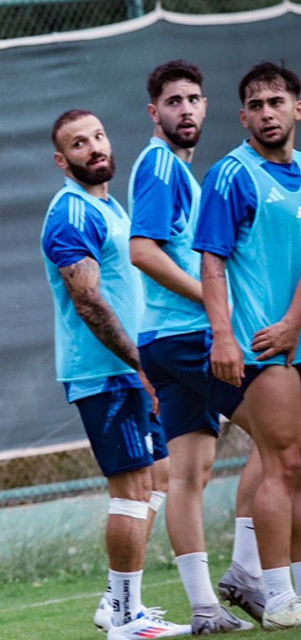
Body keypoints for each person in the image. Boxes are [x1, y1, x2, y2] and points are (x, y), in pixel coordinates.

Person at [40, 109, 189, 639]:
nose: (95, 147)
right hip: (107, 375)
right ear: (63, 161)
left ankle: (117, 601)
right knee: (130, 489)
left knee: (160, 478)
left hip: (133, 371)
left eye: (99, 136)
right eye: (79, 143)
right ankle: (126, 619)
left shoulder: (111, 206)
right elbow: (88, 301)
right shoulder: (71, 213)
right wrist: (141, 363)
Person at [126, 60, 257, 633]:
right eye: (173, 101)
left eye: (193, 99)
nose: (185, 109)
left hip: (163, 338)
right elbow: (143, 251)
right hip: (187, 337)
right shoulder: (160, 165)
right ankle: (250, 572)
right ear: (154, 112)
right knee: (283, 438)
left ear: (206, 107)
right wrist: (212, 300)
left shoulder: (179, 169)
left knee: (188, 474)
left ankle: (205, 607)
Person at [194, 61, 301, 630]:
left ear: (297, 108)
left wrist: (295, 323)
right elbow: (211, 264)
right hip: (262, 345)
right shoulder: (231, 175)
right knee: (282, 462)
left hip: (294, 337)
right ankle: (276, 594)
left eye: (276, 102)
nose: (267, 113)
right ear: (242, 118)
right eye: (256, 106)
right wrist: (223, 335)